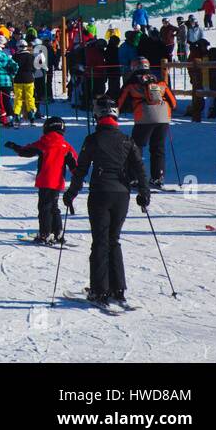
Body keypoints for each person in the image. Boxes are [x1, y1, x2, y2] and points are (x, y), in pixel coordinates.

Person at [63, 97, 151, 307]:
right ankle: (117, 289)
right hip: (121, 195)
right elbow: (139, 167)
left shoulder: (93, 140)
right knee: (114, 240)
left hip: (101, 193)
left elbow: (81, 169)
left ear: (98, 116)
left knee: (100, 241)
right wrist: (144, 193)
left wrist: (71, 193)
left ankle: (99, 291)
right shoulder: (126, 140)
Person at [5, 117, 78, 245]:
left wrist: (14, 146)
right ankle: (57, 231)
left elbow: (26, 151)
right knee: (54, 207)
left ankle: (45, 233)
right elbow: (75, 164)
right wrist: (77, 179)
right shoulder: (66, 146)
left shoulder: (44, 142)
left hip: (45, 181)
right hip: (57, 182)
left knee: (44, 207)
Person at [117, 57, 176, 189]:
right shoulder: (158, 78)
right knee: (158, 148)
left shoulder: (132, 81)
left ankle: (134, 178)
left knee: (135, 147)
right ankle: (158, 177)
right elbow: (173, 102)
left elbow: (120, 102)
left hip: (144, 117)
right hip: (163, 117)